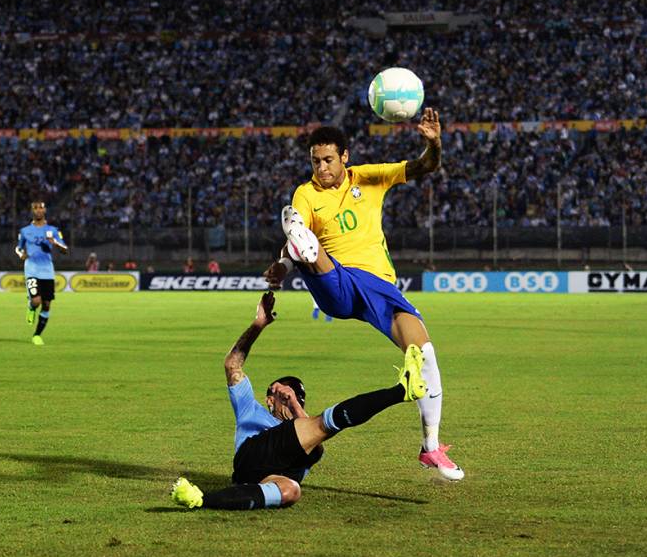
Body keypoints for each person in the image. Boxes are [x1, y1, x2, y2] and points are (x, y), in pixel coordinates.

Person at [263, 110, 464, 480]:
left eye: (327, 160)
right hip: (336, 282)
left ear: (344, 157)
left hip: (379, 287)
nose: (321, 168)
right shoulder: (306, 193)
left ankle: (430, 447)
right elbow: (300, 233)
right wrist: (285, 265)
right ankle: (299, 251)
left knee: (425, 356)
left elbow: (424, 168)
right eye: (315, 161)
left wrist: (434, 143)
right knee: (303, 236)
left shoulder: (369, 178)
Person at [171, 292, 427, 510]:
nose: (291, 399)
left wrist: (294, 406)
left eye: (298, 397)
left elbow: (314, 450)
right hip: (251, 456)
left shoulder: (300, 423)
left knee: (291, 491)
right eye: (285, 394)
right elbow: (232, 364)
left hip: (267, 476)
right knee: (323, 426)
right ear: (270, 397)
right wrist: (258, 325)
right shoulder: (250, 408)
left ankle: (202, 500)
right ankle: (400, 391)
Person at [15, 200, 68, 346]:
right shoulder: (25, 231)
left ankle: (37, 335)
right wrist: (21, 255)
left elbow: (65, 249)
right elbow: (18, 248)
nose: (38, 210)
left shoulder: (53, 230)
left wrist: (55, 243)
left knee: (46, 305)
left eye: (41, 208)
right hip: (32, 269)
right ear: (32, 211)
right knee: (36, 301)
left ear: (45, 211)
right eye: (35, 208)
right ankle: (31, 307)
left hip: (47, 271)